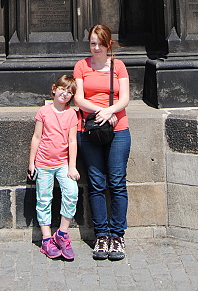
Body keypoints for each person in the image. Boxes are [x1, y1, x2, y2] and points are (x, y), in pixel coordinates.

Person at [74, 24, 130, 261]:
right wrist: (102, 112)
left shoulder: (118, 66)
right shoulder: (81, 66)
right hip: (90, 128)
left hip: (118, 128)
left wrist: (111, 111)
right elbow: (78, 98)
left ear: (109, 44)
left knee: (117, 182)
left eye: (100, 44)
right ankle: (101, 235)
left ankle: (117, 235)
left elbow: (125, 98)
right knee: (96, 183)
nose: (96, 48)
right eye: (92, 44)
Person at [28, 74, 80, 260]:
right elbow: (36, 137)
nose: (64, 94)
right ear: (54, 89)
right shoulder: (44, 111)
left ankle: (62, 233)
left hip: (62, 164)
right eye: (62, 89)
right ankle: (46, 239)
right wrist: (31, 163)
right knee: (43, 199)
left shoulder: (71, 114)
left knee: (71, 192)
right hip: (43, 163)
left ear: (72, 96)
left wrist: (72, 166)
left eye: (69, 92)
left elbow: (72, 141)